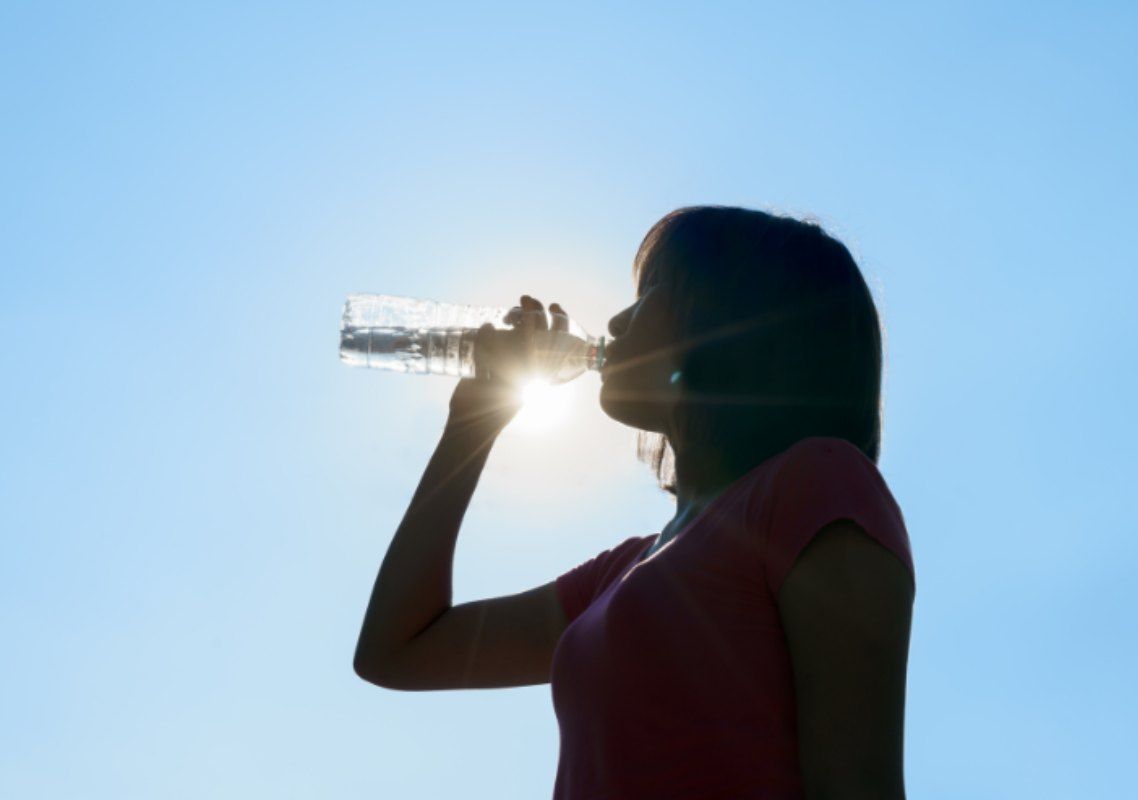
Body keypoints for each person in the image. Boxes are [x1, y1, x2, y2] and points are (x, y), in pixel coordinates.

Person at [354, 206, 916, 799]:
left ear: (728, 322)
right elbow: (398, 650)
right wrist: (472, 426)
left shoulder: (817, 483)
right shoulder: (621, 573)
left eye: (650, 295)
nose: (617, 322)